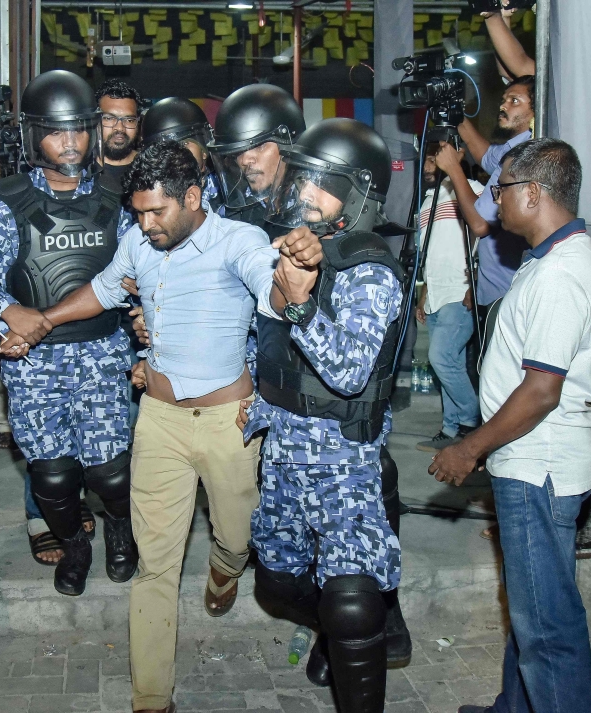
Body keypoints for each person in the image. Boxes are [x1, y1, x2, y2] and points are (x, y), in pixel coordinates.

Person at [0, 140, 278, 713]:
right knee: (157, 565)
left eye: (158, 212)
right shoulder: (139, 243)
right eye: (139, 212)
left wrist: (293, 285)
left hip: (229, 424)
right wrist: (42, 321)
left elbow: (276, 299)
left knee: (235, 534)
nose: (146, 224)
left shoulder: (239, 242)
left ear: (194, 198)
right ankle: (151, 697)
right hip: (159, 423)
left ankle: (227, 567)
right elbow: (102, 291)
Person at [239, 118, 413, 711]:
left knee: (349, 598)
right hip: (282, 451)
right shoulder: (291, 245)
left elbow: (347, 373)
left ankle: (359, 630)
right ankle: (342, 635)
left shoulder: (370, 269)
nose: (306, 193)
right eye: (304, 178)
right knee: (277, 582)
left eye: (324, 183)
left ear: (359, 193)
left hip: (343, 458)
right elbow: (269, 344)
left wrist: (302, 304)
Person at [430, 139, 591, 713]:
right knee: (534, 608)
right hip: (534, 461)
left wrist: (468, 449)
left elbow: (541, 390)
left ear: (532, 192)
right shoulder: (555, 258)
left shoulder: (559, 274)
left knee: (547, 628)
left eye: (501, 188)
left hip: (540, 464)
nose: (493, 199)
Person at [0, 69, 137, 596]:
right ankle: (74, 546)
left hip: (102, 353)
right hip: (33, 363)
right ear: (34, 135)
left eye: (79, 129)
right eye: (57, 132)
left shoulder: (115, 197)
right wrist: (9, 311)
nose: (70, 142)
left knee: (109, 472)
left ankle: (120, 533)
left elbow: (139, 269)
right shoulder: (5, 204)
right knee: (52, 475)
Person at [434, 76, 534, 314]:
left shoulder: (524, 156)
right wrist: (454, 111)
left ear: (535, 111)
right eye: (504, 99)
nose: (503, 105)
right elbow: (487, 156)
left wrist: (453, 168)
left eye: (514, 101)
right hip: (494, 290)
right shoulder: (514, 148)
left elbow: (479, 224)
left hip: (506, 296)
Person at [415, 145, 483, 452]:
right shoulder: (427, 203)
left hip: (459, 291)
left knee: (440, 358)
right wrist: (423, 295)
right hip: (435, 295)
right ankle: (450, 428)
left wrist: (476, 283)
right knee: (448, 364)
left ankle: (472, 420)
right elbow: (430, 254)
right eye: (427, 161)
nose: (428, 166)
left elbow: (485, 237)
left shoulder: (472, 191)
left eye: (433, 160)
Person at [208, 82, 305, 225]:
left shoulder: (317, 203)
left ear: (290, 145)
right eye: (238, 151)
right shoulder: (230, 217)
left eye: (259, 146)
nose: (245, 160)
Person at [139, 97, 219, 204]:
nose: (176, 155)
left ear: (203, 150)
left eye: (184, 144)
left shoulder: (226, 192)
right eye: (165, 149)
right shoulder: (143, 197)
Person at [96, 78, 144, 183]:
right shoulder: (80, 170)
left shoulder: (151, 168)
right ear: (95, 120)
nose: (120, 128)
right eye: (109, 118)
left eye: (129, 120)